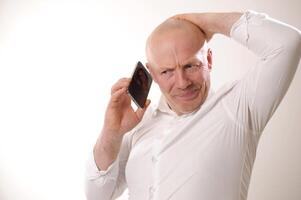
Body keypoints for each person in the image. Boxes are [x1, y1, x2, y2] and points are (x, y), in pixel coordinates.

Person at [85, 10, 301, 200]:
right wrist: (112, 132)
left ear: (209, 59)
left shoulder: (239, 106)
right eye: (167, 71)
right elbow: (98, 195)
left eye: (191, 65)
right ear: (153, 75)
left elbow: (288, 42)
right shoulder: (139, 124)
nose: (182, 82)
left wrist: (203, 21)